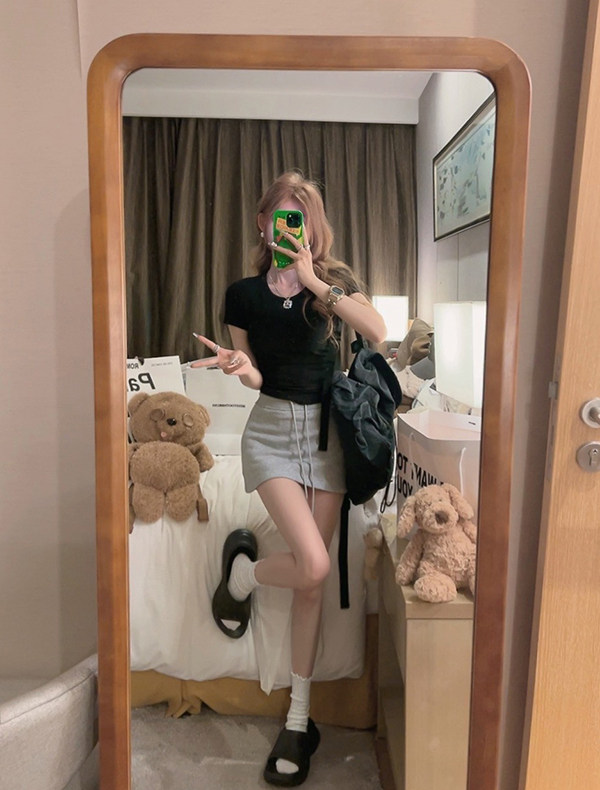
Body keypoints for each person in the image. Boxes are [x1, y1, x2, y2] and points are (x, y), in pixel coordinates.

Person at [192, 171, 386, 786]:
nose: (291, 227)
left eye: (302, 217)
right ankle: (242, 576)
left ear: (314, 226)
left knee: (309, 584)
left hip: (328, 439)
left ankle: (299, 721)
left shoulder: (334, 283)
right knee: (316, 564)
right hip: (271, 432)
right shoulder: (242, 295)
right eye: (282, 216)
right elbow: (255, 376)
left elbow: (377, 331)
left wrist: (312, 279)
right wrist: (238, 365)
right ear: (263, 223)